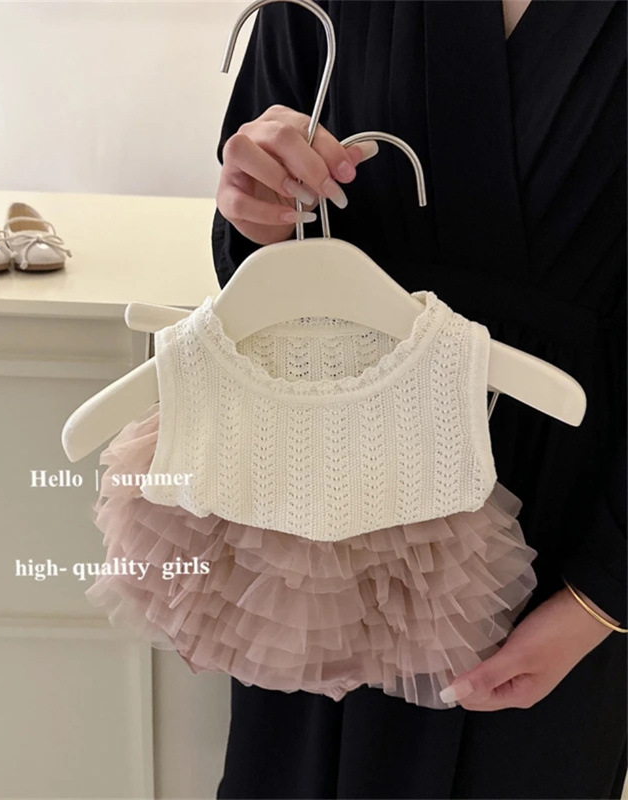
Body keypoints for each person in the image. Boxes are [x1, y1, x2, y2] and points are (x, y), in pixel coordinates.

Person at [209, 1, 627, 798]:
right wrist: (255, 207)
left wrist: (601, 596)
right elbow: (256, 266)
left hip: (566, 535)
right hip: (327, 513)